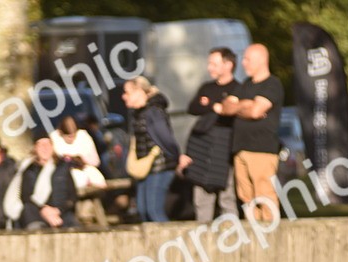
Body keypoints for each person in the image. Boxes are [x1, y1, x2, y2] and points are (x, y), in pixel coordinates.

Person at [215, 44, 283, 222]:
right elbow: (225, 107)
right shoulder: (245, 84)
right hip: (240, 148)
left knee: (264, 193)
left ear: (262, 60)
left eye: (247, 59)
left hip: (261, 149)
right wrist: (247, 104)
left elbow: (256, 111)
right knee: (246, 196)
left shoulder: (272, 84)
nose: (243, 63)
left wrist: (242, 106)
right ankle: (253, 232)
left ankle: (269, 231)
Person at [177, 47, 239, 222]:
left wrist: (211, 105)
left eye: (214, 63)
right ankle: (203, 236)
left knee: (227, 197)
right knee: (202, 197)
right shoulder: (207, 87)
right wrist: (214, 106)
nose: (209, 68)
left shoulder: (238, 88)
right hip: (203, 150)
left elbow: (232, 113)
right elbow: (193, 107)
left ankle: (231, 236)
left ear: (228, 65)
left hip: (225, 150)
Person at [121, 76, 181, 222]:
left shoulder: (153, 111)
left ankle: (168, 243)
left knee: (153, 210)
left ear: (139, 91)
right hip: (145, 168)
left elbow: (166, 137)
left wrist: (177, 156)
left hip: (160, 167)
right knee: (142, 210)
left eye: (127, 92)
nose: (123, 97)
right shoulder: (138, 112)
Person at [4, 134, 79, 230]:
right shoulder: (28, 170)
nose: (45, 148)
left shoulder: (62, 167)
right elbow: (26, 196)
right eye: (41, 145)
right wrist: (44, 210)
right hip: (36, 213)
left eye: (48, 144)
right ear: (35, 148)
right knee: (29, 215)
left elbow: (72, 195)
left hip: (61, 213)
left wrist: (57, 210)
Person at [50, 115, 107, 191]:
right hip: (64, 173)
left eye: (73, 136)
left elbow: (96, 161)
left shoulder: (83, 137)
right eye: (68, 137)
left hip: (84, 169)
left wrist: (81, 160)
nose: (71, 139)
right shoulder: (54, 138)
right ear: (61, 133)